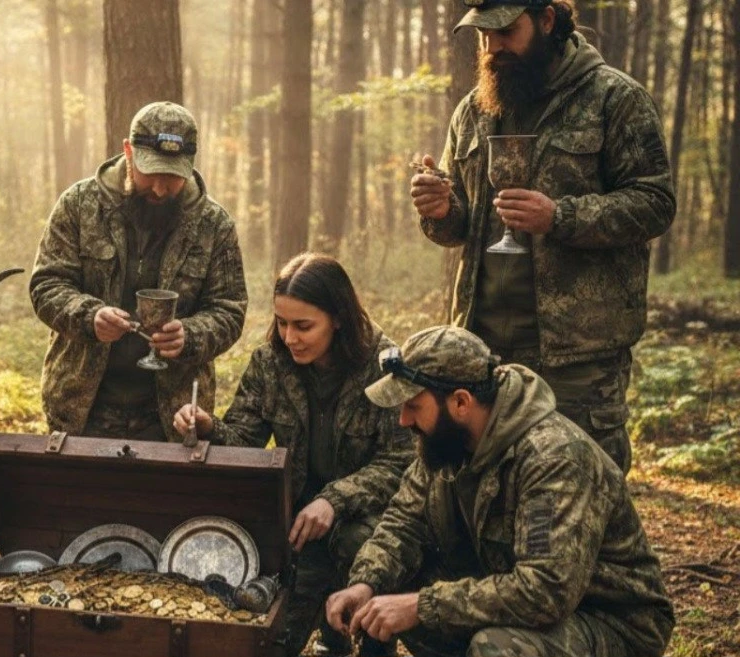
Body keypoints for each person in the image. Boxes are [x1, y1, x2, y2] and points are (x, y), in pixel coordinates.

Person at [409, 0, 676, 473]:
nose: (492, 47)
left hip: (577, 356)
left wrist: (561, 216)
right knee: (484, 490)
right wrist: (441, 209)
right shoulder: (473, 110)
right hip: (483, 347)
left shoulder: (613, 98)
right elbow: (462, 226)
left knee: (581, 487)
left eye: (506, 32)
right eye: (483, 36)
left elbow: (655, 203)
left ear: (547, 20)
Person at [325, 326, 673, 657]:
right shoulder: (447, 440)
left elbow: (545, 591)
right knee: (372, 555)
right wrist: (365, 584)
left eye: (413, 406)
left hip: (608, 621)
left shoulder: (553, 459)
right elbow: (403, 522)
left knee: (498, 648)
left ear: (461, 402)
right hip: (508, 591)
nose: (403, 420)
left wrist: (422, 606)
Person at [174, 254, 411, 657]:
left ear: (338, 318)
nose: (289, 337)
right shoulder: (270, 363)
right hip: (294, 522)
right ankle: (324, 629)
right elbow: (245, 444)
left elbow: (402, 461)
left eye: (303, 326)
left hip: (366, 519)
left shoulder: (384, 365)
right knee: (277, 644)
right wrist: (210, 428)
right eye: (282, 323)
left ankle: (368, 642)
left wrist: (334, 500)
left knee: (359, 543)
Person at [30, 101, 247, 441]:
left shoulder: (213, 225)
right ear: (128, 152)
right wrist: (90, 316)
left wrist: (190, 336)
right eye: (151, 173)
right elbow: (46, 285)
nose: (160, 188)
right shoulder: (79, 205)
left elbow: (230, 309)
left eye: (172, 177)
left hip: (171, 415)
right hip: (83, 405)